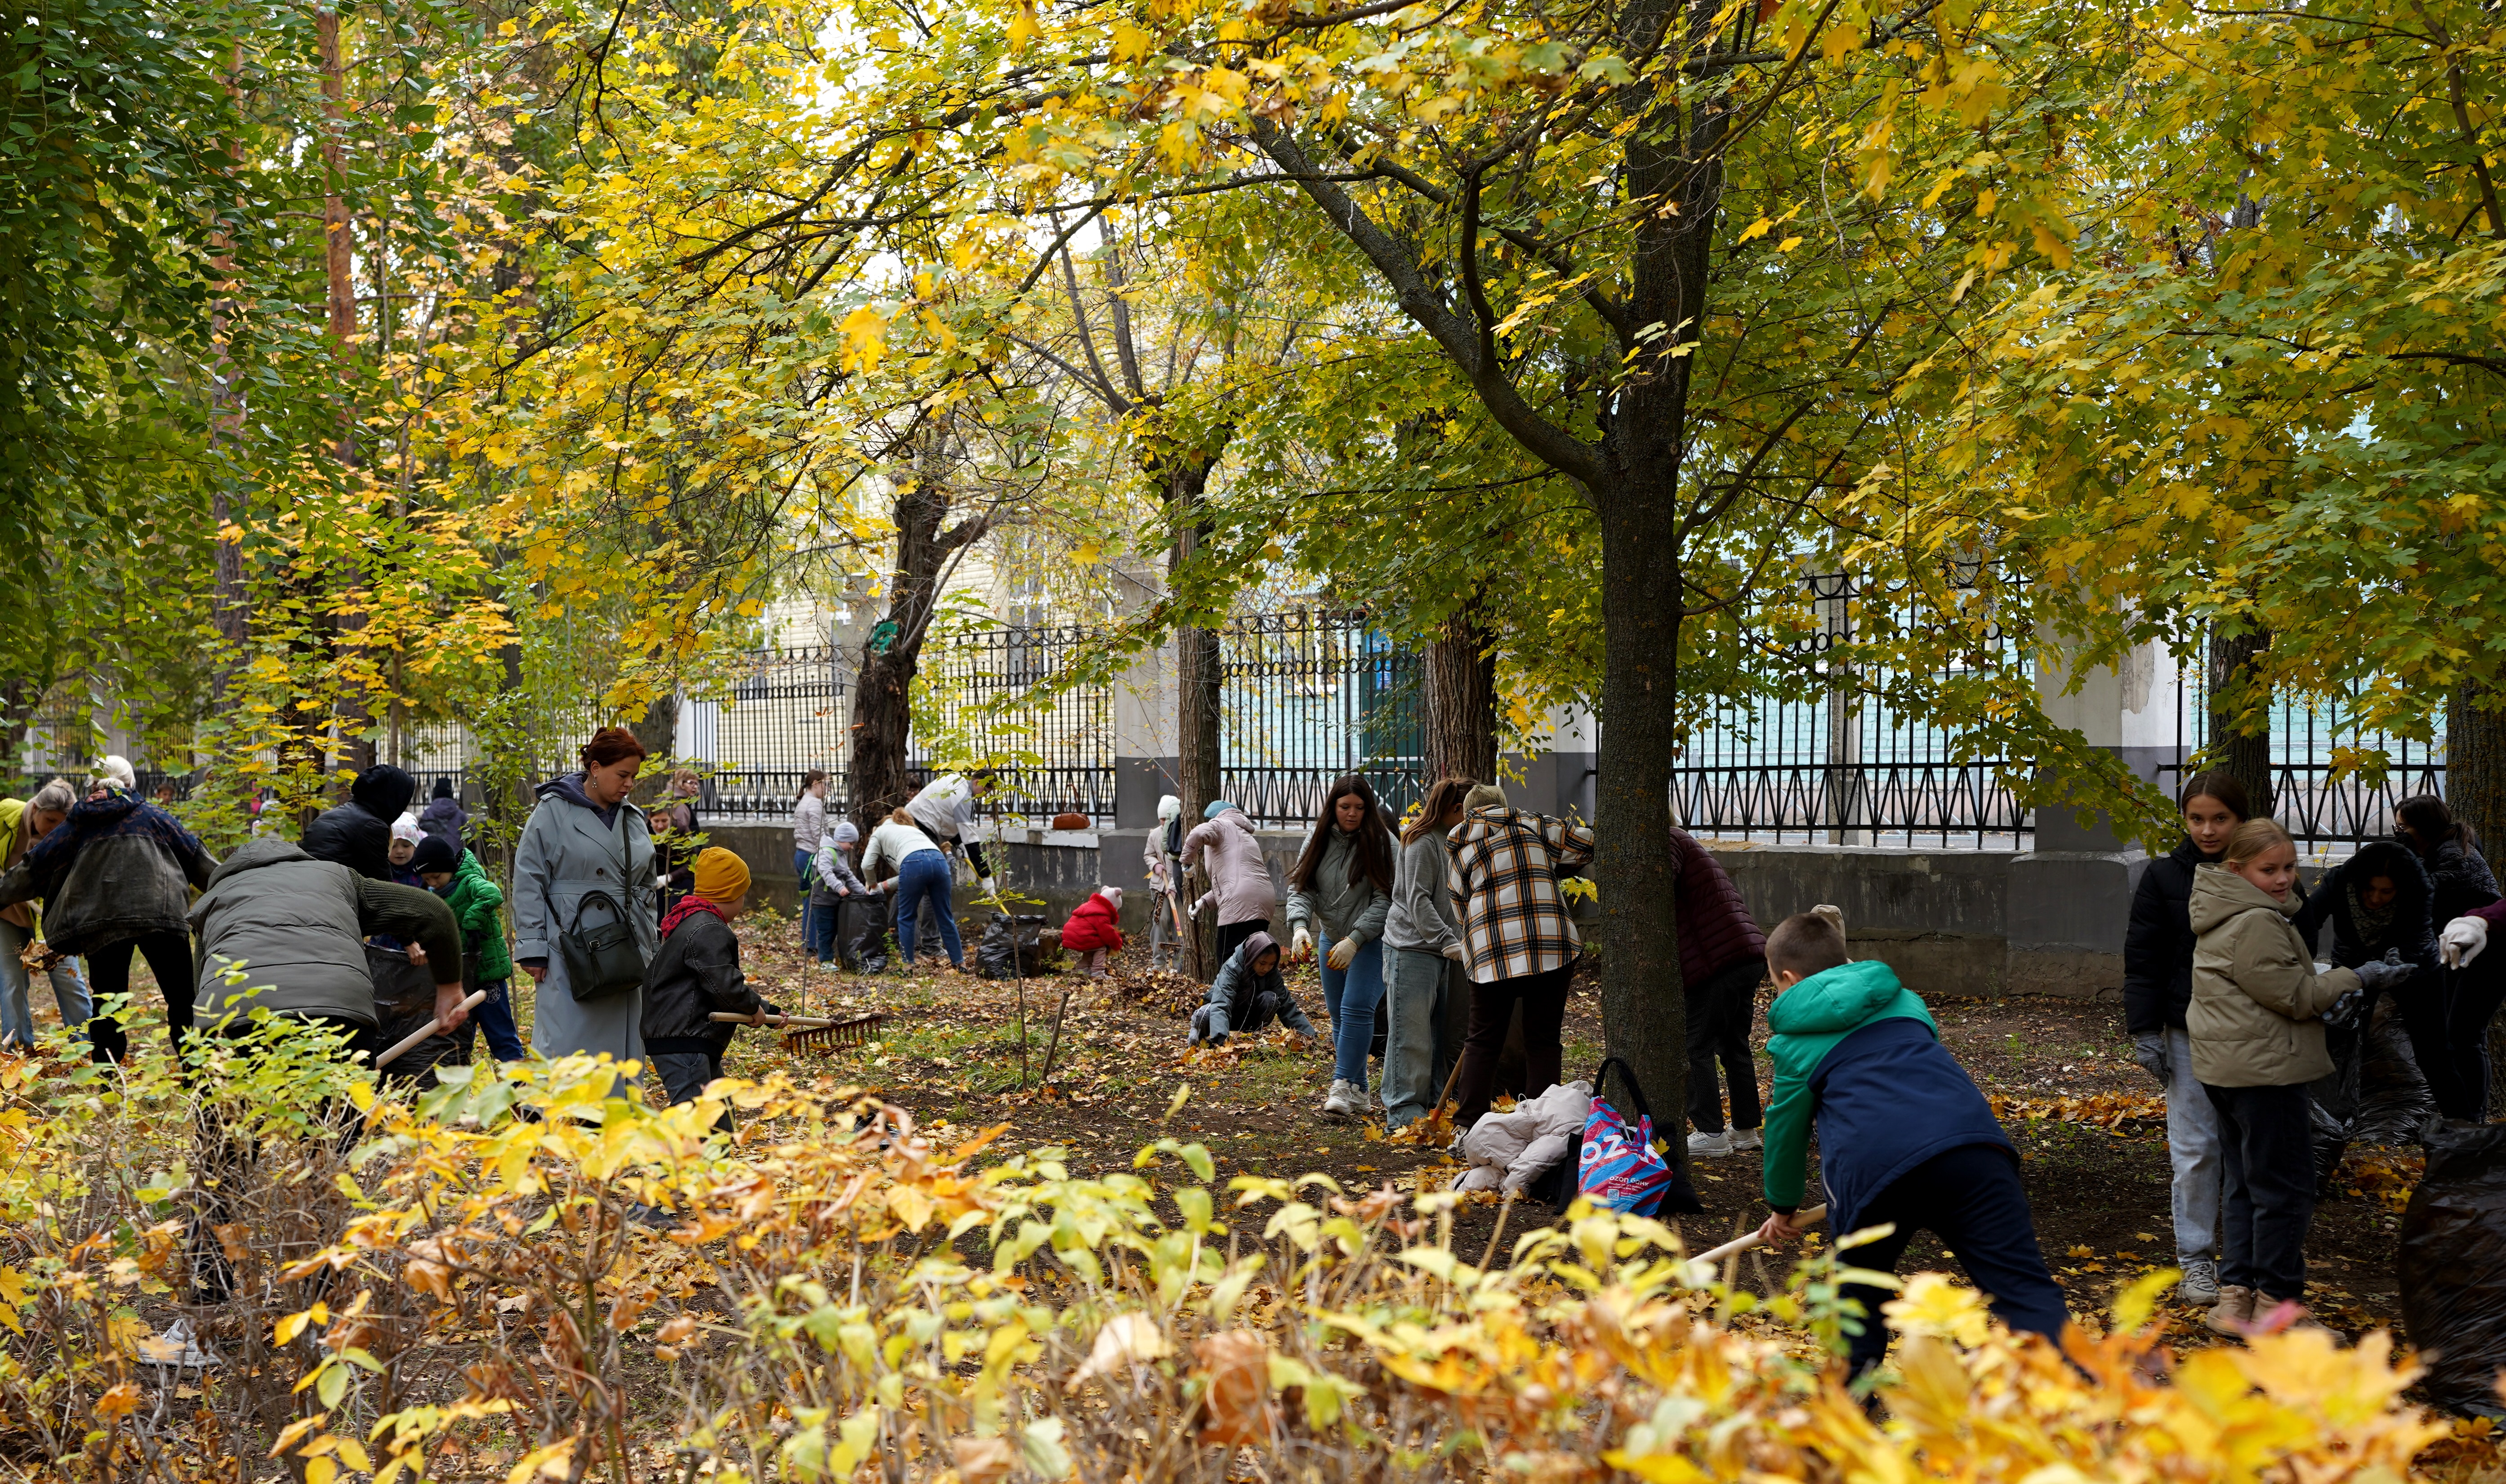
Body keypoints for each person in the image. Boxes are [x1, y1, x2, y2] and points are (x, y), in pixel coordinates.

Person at [1752, 906, 2070, 1379]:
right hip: (1973, 1150)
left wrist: (1782, 1203)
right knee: (2025, 1291)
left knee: (1857, 1308)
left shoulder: (1794, 1044)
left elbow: (1785, 1129)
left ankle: (1848, 1420)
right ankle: (2085, 1405)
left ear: (1787, 977)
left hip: (1876, 1171)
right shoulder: (1906, 1002)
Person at [2190, 817, 2410, 1334]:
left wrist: (2328, 982)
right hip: (2264, 1073)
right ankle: (2278, 1312)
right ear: (2237, 869)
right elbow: (2295, 995)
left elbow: (2270, 987)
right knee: (2287, 1191)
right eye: (2270, 869)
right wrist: (2361, 974)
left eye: (2289, 867)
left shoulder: (2227, 910)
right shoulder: (2257, 920)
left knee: (2246, 1186)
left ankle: (2235, 1303)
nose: (2284, 878)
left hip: (2229, 1069)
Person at [2120, 770, 2249, 1308]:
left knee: (2247, 1152)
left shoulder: (2259, 871)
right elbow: (2143, 959)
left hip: (2250, 1035)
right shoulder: (2163, 877)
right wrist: (2145, 1029)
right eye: (2196, 818)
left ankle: (2248, 1268)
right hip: (2186, 1032)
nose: (2208, 829)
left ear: (2240, 817)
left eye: (2220, 818)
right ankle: (2197, 1262)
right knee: (2196, 1152)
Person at [0, 760, 216, 1063]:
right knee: (182, 999)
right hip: (163, 915)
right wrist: (242, 890)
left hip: (101, 924)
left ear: (92, 787)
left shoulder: (77, 825)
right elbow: (200, 862)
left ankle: (108, 1082)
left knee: (108, 1008)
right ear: (132, 785)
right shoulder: (155, 817)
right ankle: (198, 1075)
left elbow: (31, 871)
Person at [189, 834, 469, 1066]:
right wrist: (449, 987)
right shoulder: (336, 878)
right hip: (339, 1015)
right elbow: (431, 910)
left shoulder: (212, 900)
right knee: (341, 1127)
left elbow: (199, 990)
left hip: (234, 1021)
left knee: (233, 1128)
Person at [1447, 783, 1593, 1130]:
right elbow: (1588, 843)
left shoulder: (1461, 844)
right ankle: (1542, 1123)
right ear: (1504, 805)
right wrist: (1552, 861)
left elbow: (1459, 904)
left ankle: (1468, 1124)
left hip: (1492, 951)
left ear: (1469, 812)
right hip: (1551, 945)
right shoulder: (1534, 824)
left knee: (1483, 1039)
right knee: (1542, 1040)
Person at [511, 727, 661, 1065]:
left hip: (623, 948)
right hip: (570, 946)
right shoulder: (553, 811)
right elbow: (528, 879)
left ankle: (615, 1115)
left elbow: (647, 884)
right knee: (568, 1042)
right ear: (595, 768)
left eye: (633, 777)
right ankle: (562, 1116)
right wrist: (533, 946)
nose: (628, 785)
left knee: (617, 1057)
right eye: (622, 775)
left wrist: (647, 934)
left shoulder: (632, 818)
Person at [1286, 775, 1396, 1122]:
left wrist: (1357, 938)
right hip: (1331, 936)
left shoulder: (1382, 842)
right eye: (1345, 806)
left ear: (1369, 809)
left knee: (1356, 1008)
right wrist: (1301, 926)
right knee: (1338, 1015)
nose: (1352, 814)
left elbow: (1388, 898)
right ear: (1333, 806)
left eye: (1360, 808)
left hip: (1373, 939)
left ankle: (1341, 1083)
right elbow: (1302, 887)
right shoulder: (1317, 839)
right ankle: (1360, 1091)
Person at [640, 847, 772, 1113]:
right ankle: (672, 1156)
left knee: (719, 1114)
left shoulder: (690, 919)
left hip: (685, 1032)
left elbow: (711, 981)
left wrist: (768, 1011)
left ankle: (717, 1153)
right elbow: (722, 983)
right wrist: (753, 1007)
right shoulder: (708, 928)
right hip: (683, 1036)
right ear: (732, 895)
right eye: (743, 895)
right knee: (695, 1119)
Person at [1671, 824, 1770, 1159]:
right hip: (1746, 952)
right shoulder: (1690, 843)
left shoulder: (1669, 839)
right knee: (1734, 1045)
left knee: (1696, 1044)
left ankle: (1711, 1131)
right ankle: (1744, 1129)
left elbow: (1654, 887)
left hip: (1718, 960)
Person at [1382, 776, 1474, 1131]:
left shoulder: (1452, 840)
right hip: (1412, 950)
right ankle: (1403, 1111)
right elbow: (1418, 900)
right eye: (1468, 813)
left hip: (1442, 951)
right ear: (1454, 809)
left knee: (1437, 1034)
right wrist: (1447, 940)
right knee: (1411, 1034)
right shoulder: (1421, 841)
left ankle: (1433, 1101)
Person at [410, 834, 526, 1063]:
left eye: (436, 876)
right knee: (461, 1034)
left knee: (500, 1032)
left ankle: (519, 1081)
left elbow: (492, 894)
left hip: (487, 973)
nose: (433, 883)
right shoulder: (433, 896)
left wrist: (472, 922)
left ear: (450, 868)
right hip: (460, 980)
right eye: (427, 879)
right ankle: (462, 1081)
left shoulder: (470, 882)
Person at [0, 780, 88, 1051]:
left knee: (69, 978)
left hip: (51, 918)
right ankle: (18, 1049)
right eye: (50, 820)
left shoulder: (69, 836)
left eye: (61, 823)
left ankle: (85, 1046)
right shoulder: (4, 815)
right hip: (8, 916)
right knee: (11, 980)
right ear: (35, 808)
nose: (54, 829)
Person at [863, 806, 960, 970]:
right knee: (945, 917)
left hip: (913, 864)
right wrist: (884, 886)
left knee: (906, 917)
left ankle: (908, 966)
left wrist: (873, 886)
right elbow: (918, 865)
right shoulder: (912, 831)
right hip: (939, 861)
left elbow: (867, 865)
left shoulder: (879, 832)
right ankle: (960, 963)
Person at [1182, 799, 1279, 964]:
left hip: (1239, 904)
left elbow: (1198, 833)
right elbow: (1233, 883)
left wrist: (1187, 861)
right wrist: (1203, 902)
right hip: (1264, 903)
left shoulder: (1221, 825)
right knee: (1254, 961)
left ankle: (1232, 991)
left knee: (1228, 964)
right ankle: (1256, 991)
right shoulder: (1245, 835)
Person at [2437, 893, 2506, 1121]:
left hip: (2487, 944)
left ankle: (2471, 1120)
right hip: (2465, 942)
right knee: (2461, 1034)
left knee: (2463, 1035)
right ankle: (2469, 1122)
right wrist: (2477, 921)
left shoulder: (2454, 860)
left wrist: (2479, 920)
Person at [1187, 932, 1316, 1047]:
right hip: (1220, 1014)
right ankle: (1201, 1033)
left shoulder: (1272, 974)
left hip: (1247, 1014)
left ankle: (1249, 1038)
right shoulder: (1232, 968)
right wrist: (1222, 1041)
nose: (1267, 969)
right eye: (1263, 963)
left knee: (1271, 999)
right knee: (1206, 1014)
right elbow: (1222, 1003)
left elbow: (1287, 1006)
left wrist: (1310, 1035)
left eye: (1272, 964)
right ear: (1252, 957)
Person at [2395, 794, 2500, 927]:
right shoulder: (2435, 850)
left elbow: (2425, 891)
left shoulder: (2453, 853)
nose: (2399, 834)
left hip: (2476, 932)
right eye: (2397, 828)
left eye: (2403, 828)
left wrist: (2408, 855)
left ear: (2425, 828)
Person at [302, 763, 417, 883]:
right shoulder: (372, 825)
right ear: (394, 798)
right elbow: (381, 885)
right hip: (332, 893)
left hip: (307, 886)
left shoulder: (329, 816)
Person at [906, 769, 1001, 895]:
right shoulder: (963, 797)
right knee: (934, 882)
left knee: (913, 881)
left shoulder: (954, 780)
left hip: (912, 821)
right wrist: (986, 875)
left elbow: (944, 815)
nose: (985, 796)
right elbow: (971, 839)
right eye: (985, 791)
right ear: (978, 782)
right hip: (922, 828)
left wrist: (959, 843)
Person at [808, 820, 869, 966]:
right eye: (851, 843)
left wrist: (863, 892)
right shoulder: (826, 853)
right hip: (822, 901)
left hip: (833, 900)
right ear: (842, 840)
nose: (852, 847)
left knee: (834, 929)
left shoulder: (841, 854)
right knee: (826, 931)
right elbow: (827, 874)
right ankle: (826, 961)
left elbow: (849, 876)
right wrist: (840, 888)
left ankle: (831, 957)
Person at [651, 768, 705, 918]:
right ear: (681, 783)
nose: (695, 787)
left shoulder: (675, 801)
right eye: (691, 783)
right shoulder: (679, 805)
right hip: (678, 869)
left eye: (697, 784)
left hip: (675, 872)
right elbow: (679, 838)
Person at [1144, 794, 1186, 974]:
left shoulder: (1181, 834)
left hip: (1180, 889)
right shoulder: (1155, 834)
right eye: (1161, 819)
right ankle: (1158, 962)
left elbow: (1184, 864)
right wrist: (1156, 865)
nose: (1163, 823)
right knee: (1160, 920)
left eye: (1165, 819)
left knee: (1181, 925)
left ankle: (1179, 964)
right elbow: (1149, 854)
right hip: (1161, 887)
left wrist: (1176, 885)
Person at [794, 770, 831, 958]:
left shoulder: (804, 802)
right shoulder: (815, 803)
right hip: (812, 857)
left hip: (802, 854)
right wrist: (831, 854)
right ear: (816, 783)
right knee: (816, 903)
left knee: (809, 901)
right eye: (826, 784)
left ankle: (809, 943)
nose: (828, 789)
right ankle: (812, 945)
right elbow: (820, 836)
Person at [1060, 887, 1125, 979]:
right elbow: (1108, 934)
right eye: (1116, 909)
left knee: (1092, 947)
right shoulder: (1101, 913)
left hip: (1070, 935)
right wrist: (1118, 943)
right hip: (1081, 936)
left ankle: (1082, 970)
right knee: (1101, 948)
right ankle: (1098, 972)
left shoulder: (1091, 906)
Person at [417, 776, 468, 851]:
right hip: (455, 857)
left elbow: (419, 835)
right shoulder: (460, 815)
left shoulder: (428, 814)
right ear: (451, 793)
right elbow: (471, 836)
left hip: (432, 856)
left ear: (435, 792)